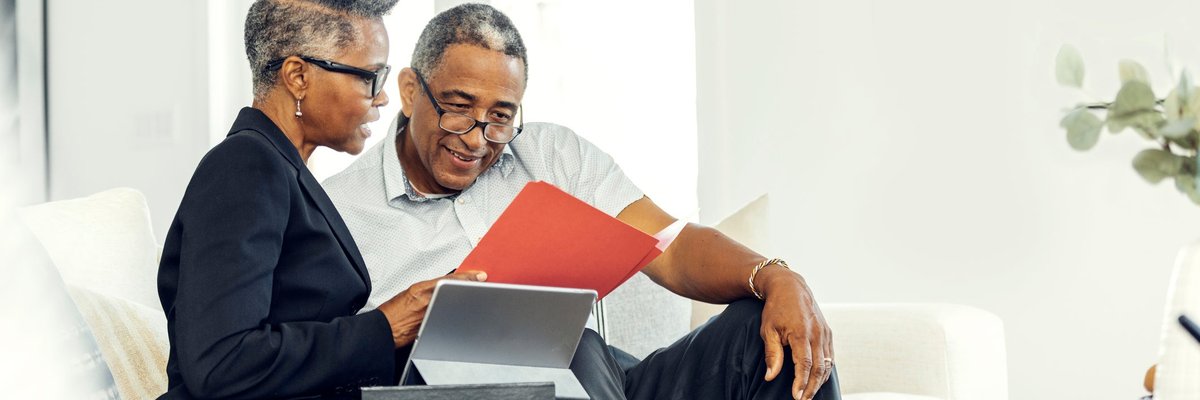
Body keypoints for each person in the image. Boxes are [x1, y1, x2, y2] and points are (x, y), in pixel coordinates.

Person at [323, 4, 841, 400]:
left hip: (601, 380)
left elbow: (672, 247)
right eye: (459, 110)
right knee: (552, 342)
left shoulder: (552, 153)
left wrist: (777, 276)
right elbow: (335, 364)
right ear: (411, 92)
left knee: (759, 331)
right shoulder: (340, 213)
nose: (478, 139)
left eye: (501, 116)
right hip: (475, 391)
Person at [156, 1, 489, 398]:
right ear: (298, 76)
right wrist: (385, 326)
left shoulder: (283, 171)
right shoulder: (246, 165)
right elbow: (221, 362)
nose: (382, 98)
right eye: (370, 77)